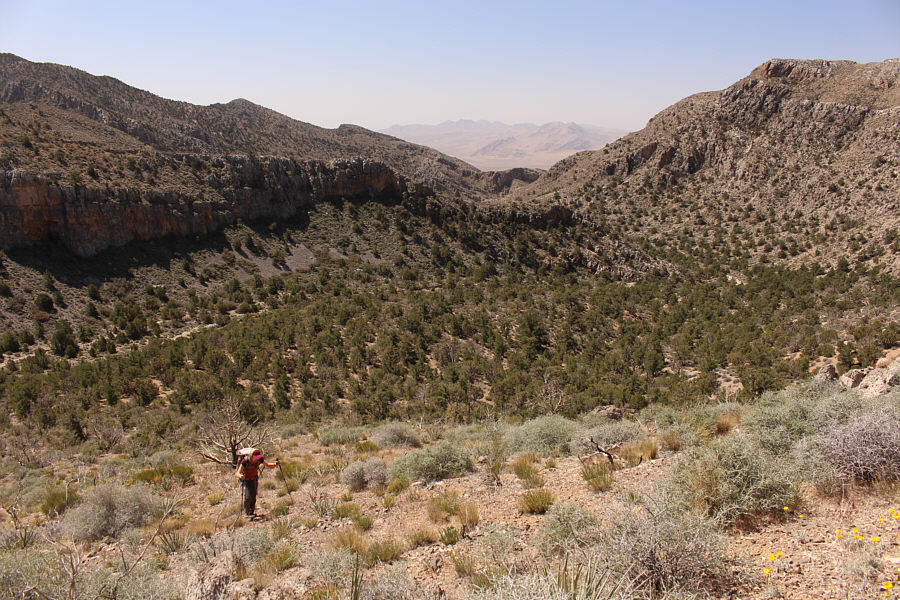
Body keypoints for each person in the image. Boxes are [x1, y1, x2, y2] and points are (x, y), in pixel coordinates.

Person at [235, 448, 279, 517]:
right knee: (247, 497)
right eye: (255, 458)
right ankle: (247, 513)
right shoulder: (245, 461)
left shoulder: (259, 460)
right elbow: (237, 473)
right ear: (251, 457)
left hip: (254, 478)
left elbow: (267, 464)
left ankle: (251, 512)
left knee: (253, 495)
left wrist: (275, 464)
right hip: (246, 480)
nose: (256, 460)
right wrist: (241, 476)